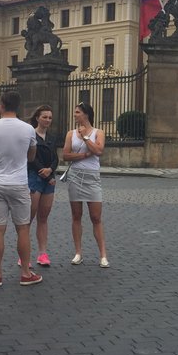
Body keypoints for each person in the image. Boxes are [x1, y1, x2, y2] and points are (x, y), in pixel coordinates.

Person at [0, 91, 40, 287]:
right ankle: (25, 273)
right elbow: (32, 156)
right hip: (18, 182)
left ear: (1, 105)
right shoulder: (28, 130)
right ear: (18, 107)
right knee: (23, 228)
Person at [62, 102, 109, 267]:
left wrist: (86, 137)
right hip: (75, 176)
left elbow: (98, 151)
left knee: (96, 217)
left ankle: (103, 255)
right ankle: (78, 253)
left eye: (77, 112)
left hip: (92, 177)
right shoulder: (70, 134)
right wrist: (83, 155)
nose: (75, 115)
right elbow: (65, 155)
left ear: (86, 114)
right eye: (74, 112)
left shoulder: (98, 132)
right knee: (76, 216)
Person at [29, 105, 59, 268]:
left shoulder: (52, 137)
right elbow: (30, 158)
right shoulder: (30, 134)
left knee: (43, 218)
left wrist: (51, 171)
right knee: (28, 218)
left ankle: (42, 253)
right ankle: (24, 254)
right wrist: (43, 171)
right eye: (45, 117)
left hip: (49, 179)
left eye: (50, 117)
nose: (47, 120)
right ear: (37, 118)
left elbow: (55, 158)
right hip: (35, 177)